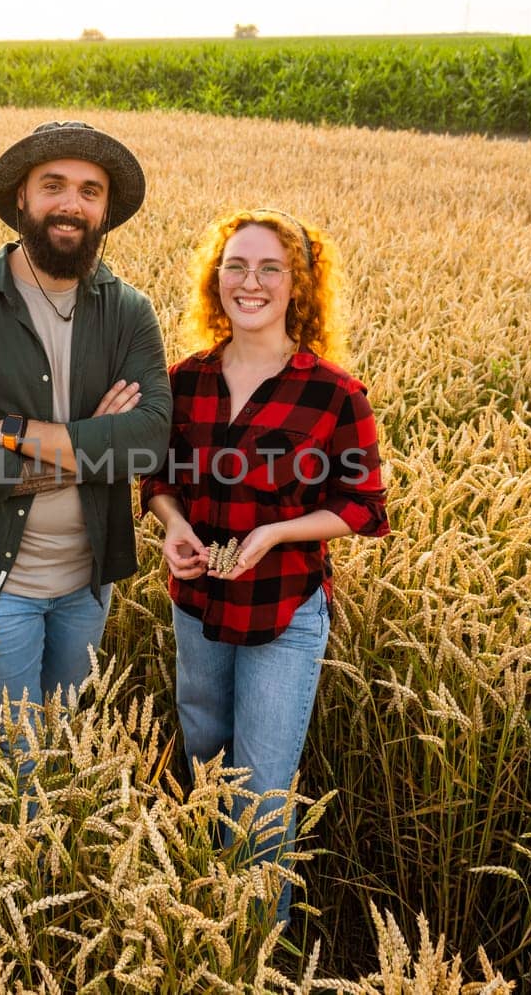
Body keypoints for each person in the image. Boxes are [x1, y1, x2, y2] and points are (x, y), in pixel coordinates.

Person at [140, 209, 390, 924]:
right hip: (198, 605)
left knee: (261, 794)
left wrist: (278, 532)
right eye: (235, 266)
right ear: (215, 279)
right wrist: (176, 526)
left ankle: (254, 945)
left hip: (284, 609)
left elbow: (364, 507)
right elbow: (154, 479)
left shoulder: (334, 393)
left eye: (269, 268)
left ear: (297, 286)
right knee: (206, 766)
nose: (249, 282)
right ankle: (202, 926)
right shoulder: (182, 382)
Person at [0, 121, 171, 776]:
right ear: (21, 199)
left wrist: (17, 432)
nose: (70, 203)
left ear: (105, 211)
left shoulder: (130, 312)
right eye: (53, 185)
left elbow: (150, 439)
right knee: (17, 763)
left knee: (63, 748)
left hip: (88, 581)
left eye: (89, 190)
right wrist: (92, 443)